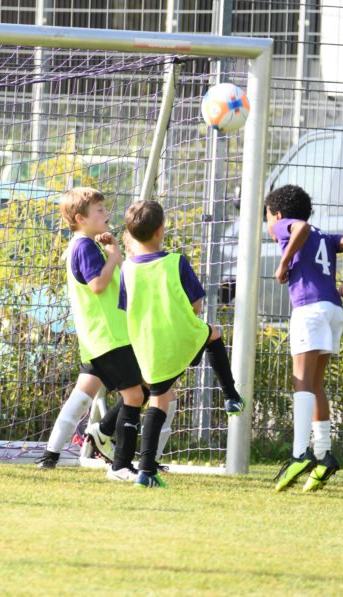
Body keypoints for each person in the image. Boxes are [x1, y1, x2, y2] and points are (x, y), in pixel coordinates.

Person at [120, 200, 244, 488]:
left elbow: (127, 308)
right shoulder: (176, 261)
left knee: (158, 397)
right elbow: (197, 305)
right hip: (181, 334)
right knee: (213, 334)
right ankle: (231, 395)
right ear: (161, 230)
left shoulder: (126, 269)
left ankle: (146, 471)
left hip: (148, 343)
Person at [36, 187, 147, 482]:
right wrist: (113, 255)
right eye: (99, 210)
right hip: (109, 337)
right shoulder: (84, 246)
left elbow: (119, 275)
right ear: (79, 218)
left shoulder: (87, 244)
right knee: (136, 394)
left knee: (81, 396)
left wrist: (114, 254)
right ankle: (121, 466)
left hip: (96, 338)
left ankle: (50, 456)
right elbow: (98, 285)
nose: (106, 214)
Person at [265, 184, 343, 492]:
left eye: (268, 218)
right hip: (333, 310)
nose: (270, 226)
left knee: (301, 381)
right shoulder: (323, 235)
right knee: (316, 384)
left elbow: (299, 228)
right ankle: (323, 454)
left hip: (310, 308)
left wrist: (283, 262)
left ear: (277, 214)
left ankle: (299, 453)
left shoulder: (284, 225)